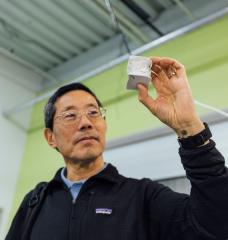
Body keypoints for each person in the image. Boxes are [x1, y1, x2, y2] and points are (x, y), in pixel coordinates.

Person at [5, 57, 228, 240]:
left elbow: (215, 226)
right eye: (70, 115)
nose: (86, 123)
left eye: (93, 112)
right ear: (50, 137)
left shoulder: (143, 197)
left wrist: (189, 126)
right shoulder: (35, 201)